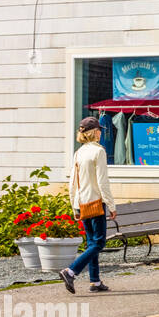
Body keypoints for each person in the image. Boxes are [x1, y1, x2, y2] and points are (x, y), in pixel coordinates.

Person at [60, 117, 117, 294]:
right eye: (99, 130)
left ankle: (95, 281)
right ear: (94, 132)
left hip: (82, 201)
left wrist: (73, 205)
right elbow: (102, 181)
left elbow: (73, 182)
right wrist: (111, 204)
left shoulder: (79, 153)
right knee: (99, 243)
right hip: (96, 201)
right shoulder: (99, 152)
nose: (101, 132)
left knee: (91, 242)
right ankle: (70, 271)